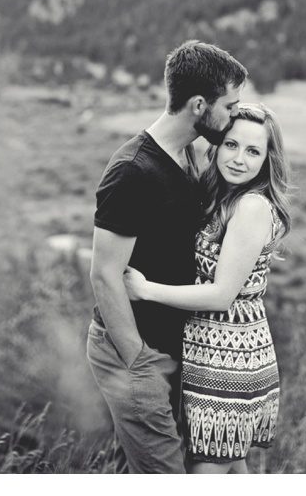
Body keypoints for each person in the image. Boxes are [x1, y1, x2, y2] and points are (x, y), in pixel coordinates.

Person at [87, 40, 247, 474]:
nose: (234, 115)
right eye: (229, 106)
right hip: (138, 350)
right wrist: (138, 361)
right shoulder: (132, 171)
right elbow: (104, 274)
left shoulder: (188, 155)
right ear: (199, 105)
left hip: (175, 348)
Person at [124, 102, 292, 473]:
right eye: (231, 145)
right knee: (228, 465)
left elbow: (220, 295)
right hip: (212, 350)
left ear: (267, 160)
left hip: (230, 356)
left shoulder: (251, 207)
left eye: (253, 151)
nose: (239, 159)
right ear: (217, 146)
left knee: (208, 468)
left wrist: (146, 289)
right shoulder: (222, 197)